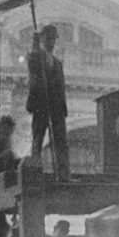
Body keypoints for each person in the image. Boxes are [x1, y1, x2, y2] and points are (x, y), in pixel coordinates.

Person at [26, 24, 69, 181]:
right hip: (41, 105)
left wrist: (63, 107)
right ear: (42, 39)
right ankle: (34, 173)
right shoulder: (36, 56)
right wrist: (35, 45)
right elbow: (32, 64)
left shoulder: (57, 63)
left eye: (53, 38)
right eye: (48, 38)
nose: (51, 42)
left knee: (61, 142)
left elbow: (61, 87)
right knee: (38, 139)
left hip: (56, 107)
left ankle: (64, 175)